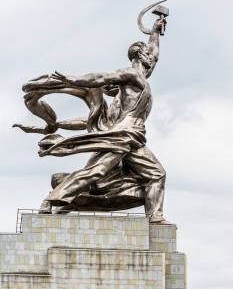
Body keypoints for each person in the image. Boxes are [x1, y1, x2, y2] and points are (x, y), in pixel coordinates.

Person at [14, 16, 168, 222]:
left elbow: (154, 55)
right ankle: (52, 200)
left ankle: (155, 218)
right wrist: (71, 79)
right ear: (141, 55)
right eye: (148, 55)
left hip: (135, 138)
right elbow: (99, 78)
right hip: (123, 136)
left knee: (156, 173)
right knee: (97, 171)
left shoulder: (141, 77)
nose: (152, 59)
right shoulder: (131, 75)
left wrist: (156, 32)